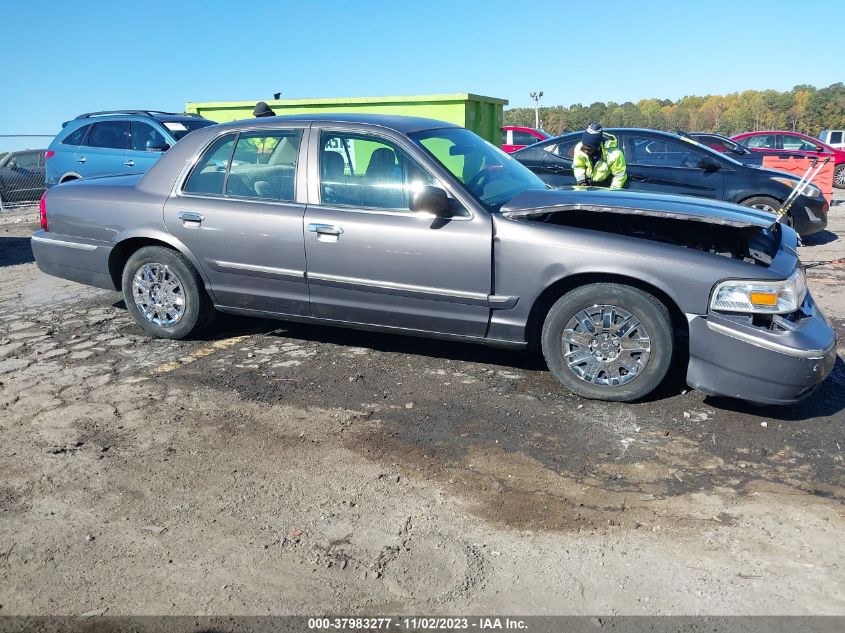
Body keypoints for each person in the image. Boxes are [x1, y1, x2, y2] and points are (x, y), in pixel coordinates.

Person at [572, 122, 627, 189]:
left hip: (606, 185)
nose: (585, 151)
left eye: (588, 149)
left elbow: (620, 176)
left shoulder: (615, 154)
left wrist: (612, 192)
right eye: (584, 148)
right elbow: (578, 166)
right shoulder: (579, 148)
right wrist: (581, 182)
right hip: (587, 183)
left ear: (597, 147)